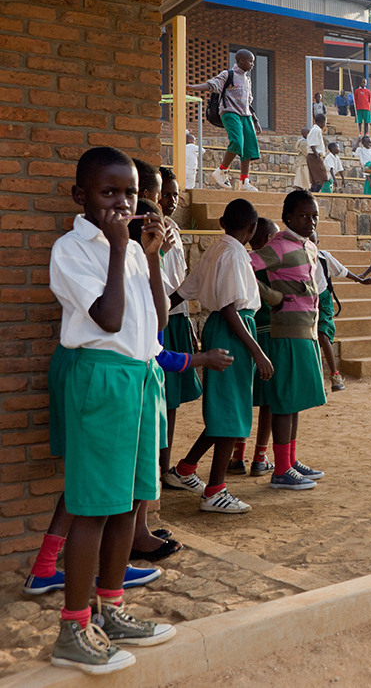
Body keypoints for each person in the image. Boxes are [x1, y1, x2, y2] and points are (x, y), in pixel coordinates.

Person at [47, 147, 176, 673]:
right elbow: (106, 318)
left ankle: (111, 607)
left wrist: (149, 256)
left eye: (130, 193)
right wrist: (121, 248)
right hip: (101, 378)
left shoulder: (133, 248)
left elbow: (159, 320)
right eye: (109, 193)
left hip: (140, 378)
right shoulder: (73, 249)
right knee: (95, 504)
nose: (122, 203)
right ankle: (73, 629)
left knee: (128, 503)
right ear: (81, 197)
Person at [165, 198, 269, 515]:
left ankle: (184, 468)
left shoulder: (215, 250)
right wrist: (257, 350)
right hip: (234, 330)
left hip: (222, 328)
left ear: (223, 222)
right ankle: (215, 490)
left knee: (226, 407)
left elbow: (182, 292)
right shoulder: (234, 255)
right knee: (229, 412)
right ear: (251, 229)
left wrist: (151, 314)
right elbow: (228, 308)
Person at [252, 190, 328, 489]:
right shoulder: (279, 245)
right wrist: (272, 296)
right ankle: (281, 469)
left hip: (305, 331)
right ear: (287, 218)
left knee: (295, 399)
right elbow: (244, 265)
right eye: (304, 215)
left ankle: (290, 460)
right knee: (284, 400)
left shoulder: (308, 246)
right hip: (285, 333)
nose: (311, 221)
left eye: (314, 215)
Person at [156, 169, 201, 476]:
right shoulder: (149, 231)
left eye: (174, 195)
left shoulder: (174, 228)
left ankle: (164, 465)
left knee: (172, 402)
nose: (170, 200)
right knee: (161, 399)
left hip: (178, 317)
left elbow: (180, 278)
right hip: (161, 319)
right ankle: (157, 468)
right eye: (165, 194)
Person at [228, 217, 281, 477]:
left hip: (246, 333)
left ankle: (238, 455)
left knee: (245, 397)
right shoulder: (271, 265)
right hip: (268, 334)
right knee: (269, 401)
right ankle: (260, 456)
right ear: (269, 239)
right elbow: (276, 298)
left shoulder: (242, 260)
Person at [188, 49, 260, 192]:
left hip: (245, 115)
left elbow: (248, 102)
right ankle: (221, 171)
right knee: (237, 142)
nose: (252, 64)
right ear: (240, 61)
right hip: (230, 112)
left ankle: (244, 181)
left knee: (249, 147)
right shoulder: (228, 74)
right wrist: (194, 87)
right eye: (250, 61)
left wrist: (255, 120)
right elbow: (212, 85)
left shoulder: (247, 79)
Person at [316, 236, 371, 392]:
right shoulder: (297, 257)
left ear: (317, 243)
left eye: (313, 242)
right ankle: (316, 380)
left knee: (323, 335)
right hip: (303, 300)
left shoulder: (323, 257)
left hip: (322, 300)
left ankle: (335, 375)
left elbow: (341, 270)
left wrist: (360, 280)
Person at [305, 111, 327, 193]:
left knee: (314, 180)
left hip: (313, 155)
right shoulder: (316, 130)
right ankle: (315, 194)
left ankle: (311, 194)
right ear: (322, 122)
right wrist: (317, 156)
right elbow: (312, 144)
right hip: (314, 155)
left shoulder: (316, 130)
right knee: (322, 177)